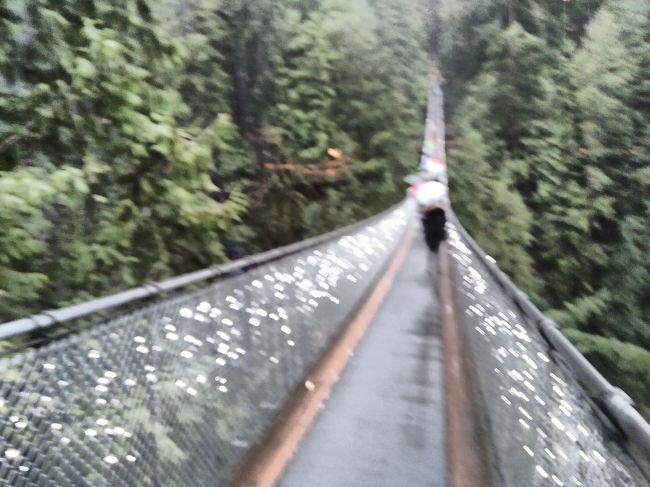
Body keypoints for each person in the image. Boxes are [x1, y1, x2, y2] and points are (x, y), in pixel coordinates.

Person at [409, 179, 447, 252]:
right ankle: (439, 238)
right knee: (439, 226)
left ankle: (433, 244)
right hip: (438, 210)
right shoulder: (441, 187)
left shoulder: (423, 188)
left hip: (428, 211)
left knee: (429, 227)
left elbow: (419, 200)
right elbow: (443, 200)